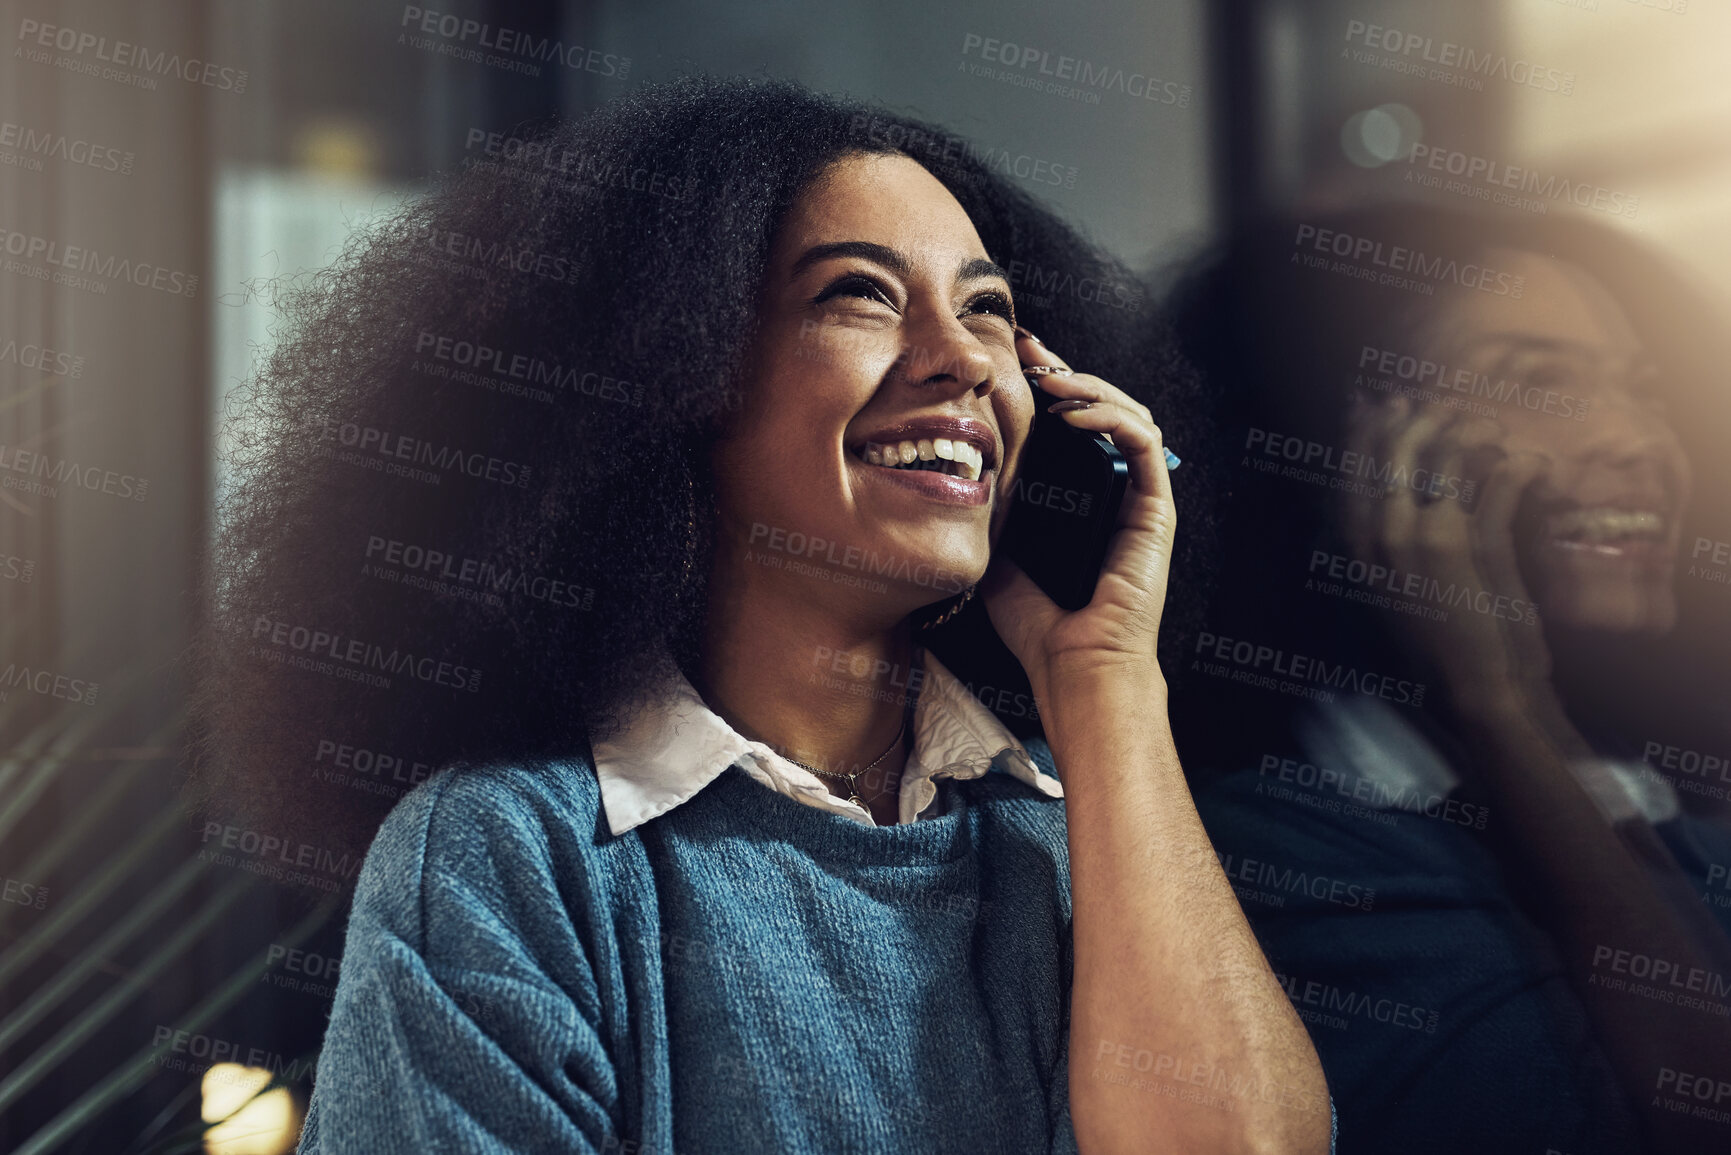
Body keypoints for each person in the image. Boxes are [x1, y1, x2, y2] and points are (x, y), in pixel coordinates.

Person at [191, 77, 1333, 1153]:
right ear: (673, 373)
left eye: (991, 313)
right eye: (859, 295)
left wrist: (1108, 683)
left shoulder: (1077, 835)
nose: (962, 362)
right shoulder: (515, 858)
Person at [1171, 203, 1731, 1154]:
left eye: (1641, 391)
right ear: (1334, 441)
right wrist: (1501, 708)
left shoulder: (1685, 805)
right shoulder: (1254, 856)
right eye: (1542, 384)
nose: (1639, 443)